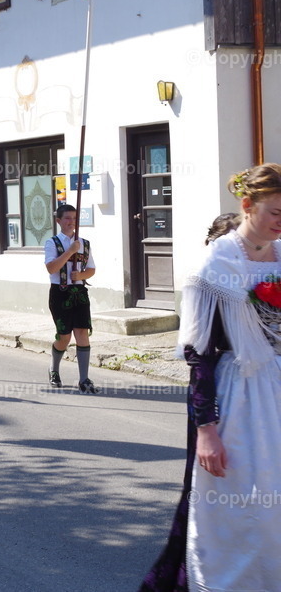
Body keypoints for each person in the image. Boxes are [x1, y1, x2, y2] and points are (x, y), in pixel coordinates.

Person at [140, 164, 281, 591]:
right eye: (276, 212)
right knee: (239, 503)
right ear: (247, 205)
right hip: (237, 392)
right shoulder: (214, 267)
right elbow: (199, 357)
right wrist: (206, 430)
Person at [44, 204, 98, 393]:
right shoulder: (52, 243)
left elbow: (91, 269)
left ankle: (84, 378)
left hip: (80, 293)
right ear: (59, 221)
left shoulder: (85, 243)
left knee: (82, 332)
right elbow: (51, 268)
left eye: (74, 218)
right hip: (60, 293)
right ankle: (54, 369)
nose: (71, 222)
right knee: (64, 336)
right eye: (67, 218)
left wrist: (81, 277)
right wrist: (70, 252)